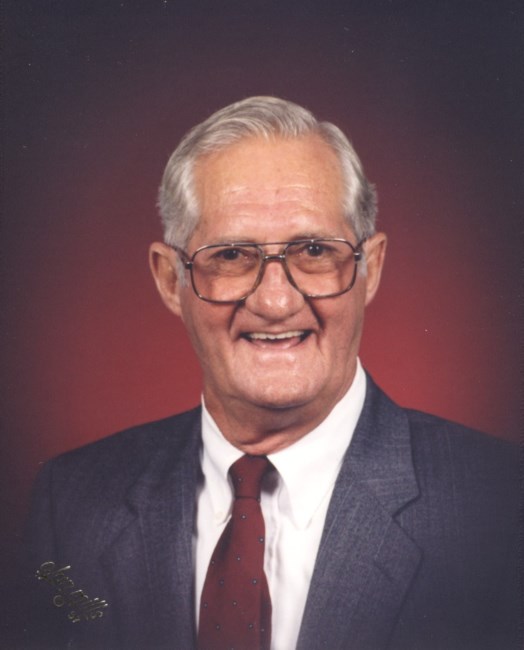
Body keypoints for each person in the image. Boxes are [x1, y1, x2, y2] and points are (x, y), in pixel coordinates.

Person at [26, 97, 520, 650]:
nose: (276, 302)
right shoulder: (70, 503)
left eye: (314, 250)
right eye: (231, 255)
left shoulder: (502, 504)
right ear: (170, 280)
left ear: (371, 268)